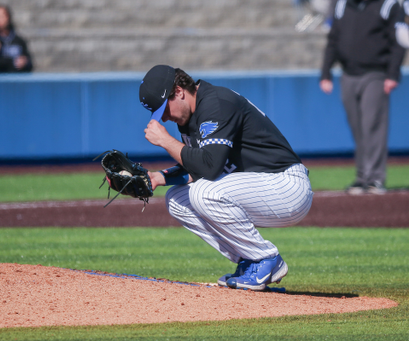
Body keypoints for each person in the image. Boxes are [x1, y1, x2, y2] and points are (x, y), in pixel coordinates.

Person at [140, 65, 314, 291]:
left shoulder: (216, 104)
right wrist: (159, 177)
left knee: (205, 192)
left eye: (164, 108)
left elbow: (209, 167)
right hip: (261, 184)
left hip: (286, 185)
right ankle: (249, 258)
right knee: (177, 200)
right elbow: (202, 165)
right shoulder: (191, 116)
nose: (163, 117)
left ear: (179, 91)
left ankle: (267, 259)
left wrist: (165, 141)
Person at [319, 0, 406, 195]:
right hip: (348, 74)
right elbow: (333, 39)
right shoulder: (341, 4)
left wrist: (393, 74)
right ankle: (362, 177)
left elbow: (398, 42)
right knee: (357, 127)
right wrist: (326, 73)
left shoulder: (388, 5)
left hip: (375, 73)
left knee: (372, 125)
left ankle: (374, 178)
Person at [0, 4, 33, 73]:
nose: (0, 20)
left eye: (2, 16)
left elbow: (29, 63)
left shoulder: (19, 41)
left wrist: (25, 62)